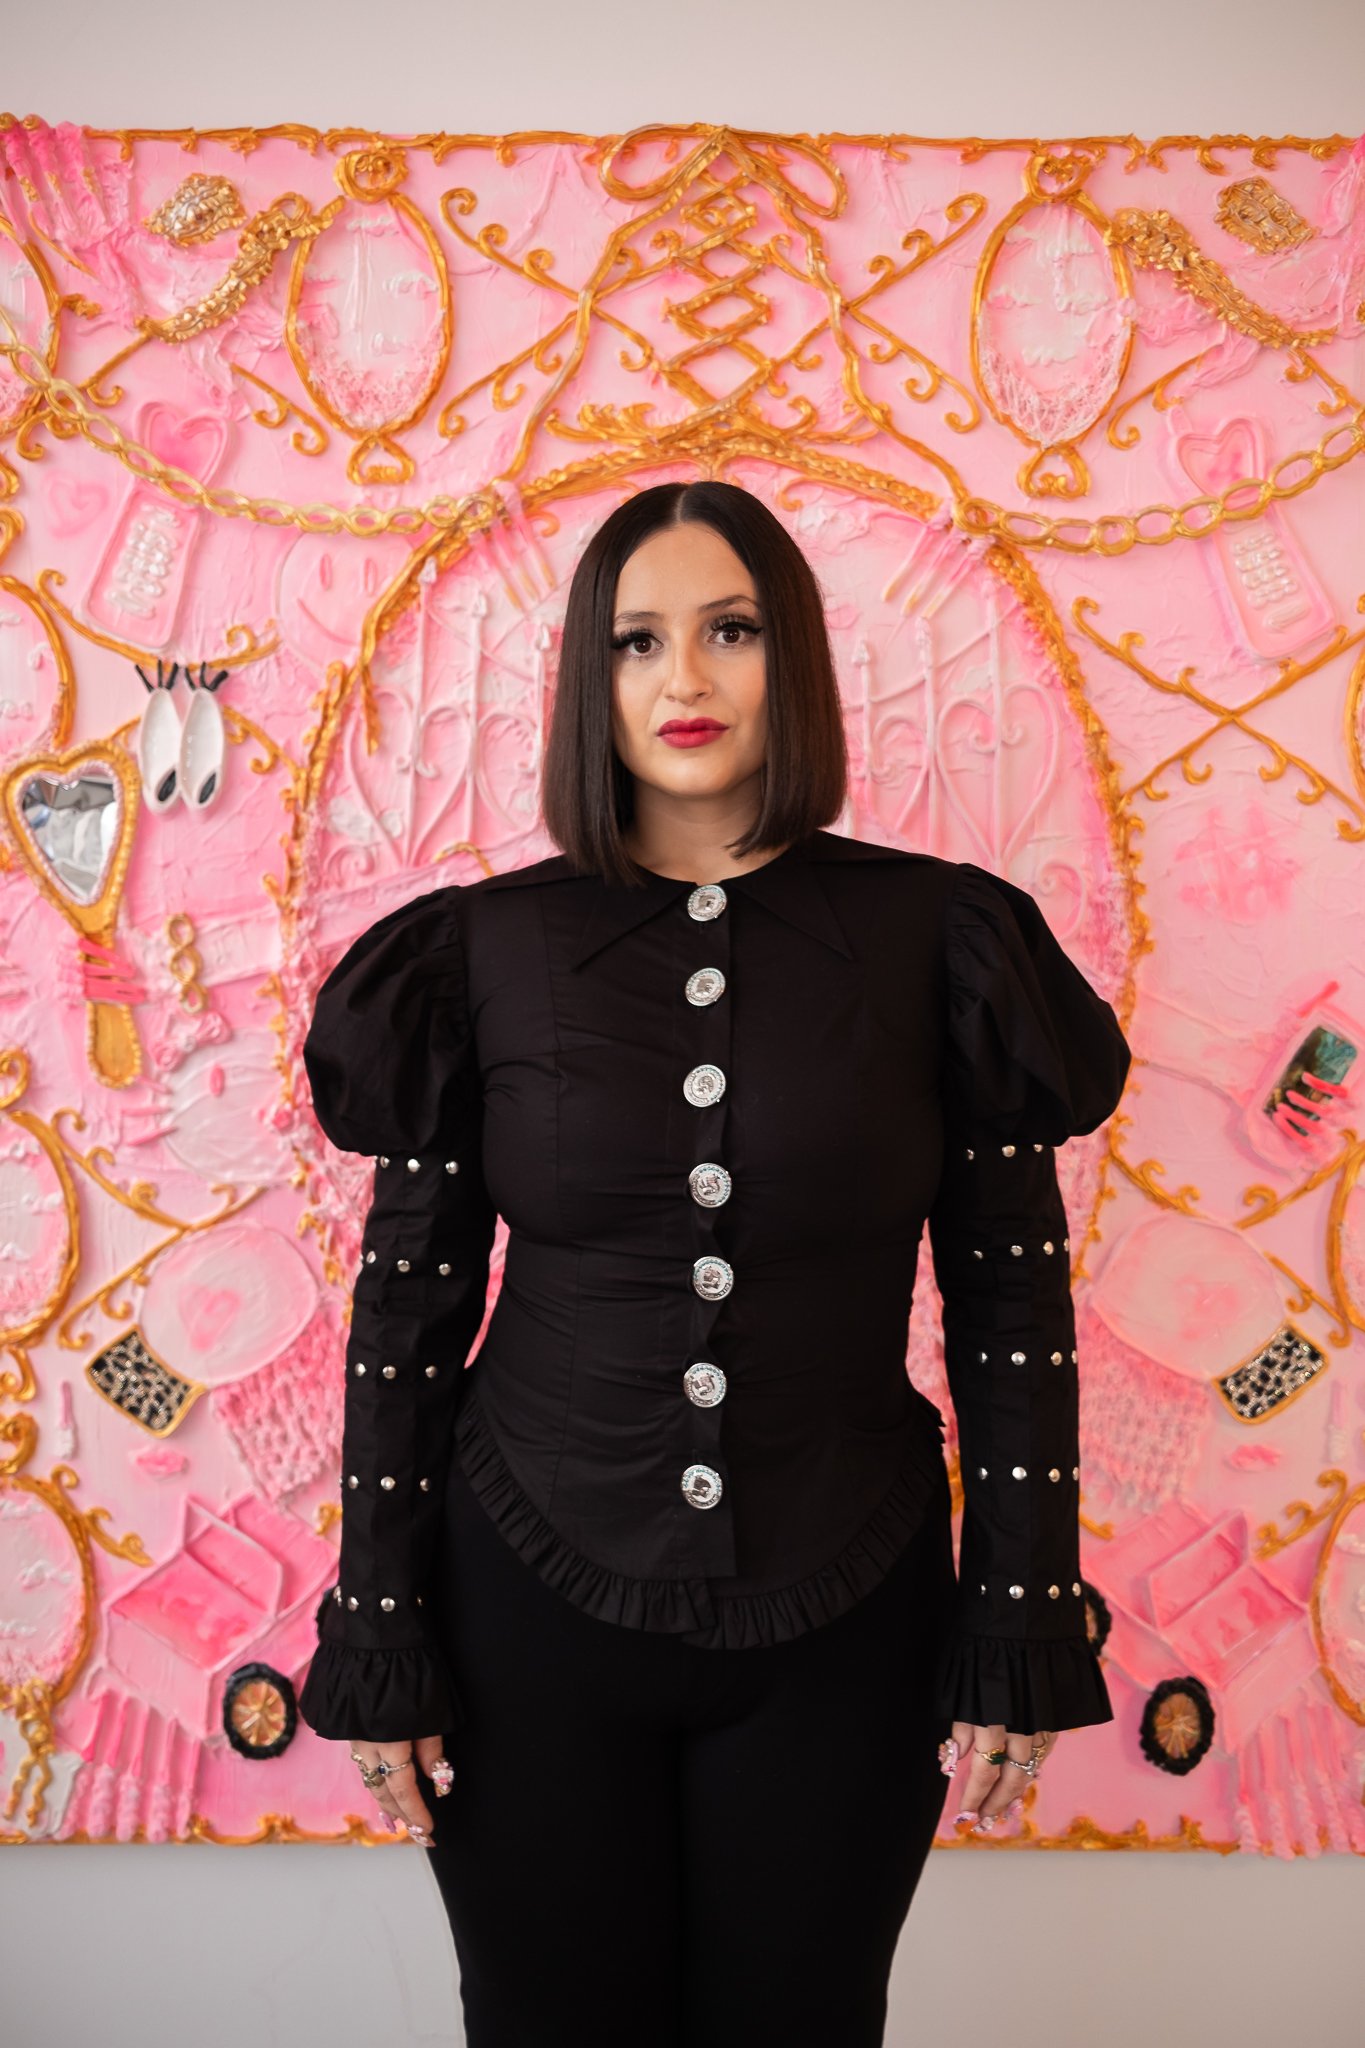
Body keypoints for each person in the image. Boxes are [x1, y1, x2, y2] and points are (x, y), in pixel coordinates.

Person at [297, 479, 1131, 2047]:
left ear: (790, 657)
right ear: (584, 680)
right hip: (521, 1613)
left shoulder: (940, 940)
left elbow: (1010, 1298)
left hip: (846, 1610)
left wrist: (1017, 1605)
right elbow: (406, 1312)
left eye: (728, 630)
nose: (683, 682)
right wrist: (377, 1624)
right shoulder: (477, 954)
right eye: (635, 642)